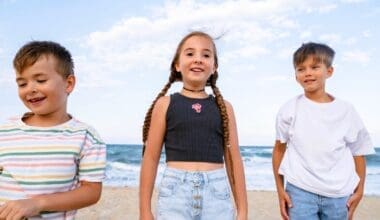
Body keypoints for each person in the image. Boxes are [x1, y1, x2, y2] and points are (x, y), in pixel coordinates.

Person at [139, 31, 248, 220]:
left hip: (217, 195)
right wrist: (144, 210)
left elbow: (234, 159)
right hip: (175, 194)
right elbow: (150, 158)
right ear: (177, 65)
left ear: (214, 67)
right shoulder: (165, 104)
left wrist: (243, 210)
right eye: (190, 54)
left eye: (206, 55)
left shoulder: (224, 108)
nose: (198, 59)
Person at [0, 41, 106, 220]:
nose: (30, 89)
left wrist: (38, 203)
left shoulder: (85, 137)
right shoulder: (4, 132)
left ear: (69, 83)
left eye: (40, 80)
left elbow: (91, 191)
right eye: (22, 83)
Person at [272, 42, 375, 220]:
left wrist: (359, 191)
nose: (308, 73)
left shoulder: (346, 110)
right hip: (299, 191)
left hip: (339, 194)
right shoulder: (289, 110)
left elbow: (359, 152)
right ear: (296, 76)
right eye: (301, 69)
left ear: (329, 71)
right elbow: (279, 150)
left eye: (314, 67)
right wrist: (280, 190)